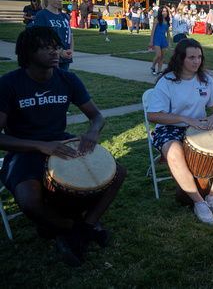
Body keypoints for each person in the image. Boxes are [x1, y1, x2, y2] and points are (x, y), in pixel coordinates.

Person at [0, 26, 126, 267]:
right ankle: (80, 228)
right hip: (25, 150)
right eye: (46, 47)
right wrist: (40, 146)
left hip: (63, 143)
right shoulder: (8, 84)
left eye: (55, 46)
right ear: (28, 52)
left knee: (118, 172)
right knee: (28, 200)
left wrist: (92, 131)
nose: (55, 51)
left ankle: (78, 228)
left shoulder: (68, 79)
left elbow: (97, 116)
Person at [147, 38, 213, 225]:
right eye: (191, 57)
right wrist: (183, 118)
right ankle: (199, 202)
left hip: (197, 127)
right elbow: (153, 115)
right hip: (168, 128)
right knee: (174, 151)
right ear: (180, 59)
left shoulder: (206, 80)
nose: (196, 61)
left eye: (199, 57)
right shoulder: (167, 81)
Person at [34, 0, 74, 71]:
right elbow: (41, 38)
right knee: (52, 80)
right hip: (51, 55)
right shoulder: (42, 15)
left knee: (63, 80)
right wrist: (59, 52)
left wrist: (70, 50)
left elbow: (70, 34)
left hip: (65, 55)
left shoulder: (64, 16)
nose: (60, 0)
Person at [149, 6, 172, 75]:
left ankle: (159, 70)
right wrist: (151, 41)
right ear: (160, 12)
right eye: (163, 11)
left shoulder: (167, 21)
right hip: (157, 39)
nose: (165, 13)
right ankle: (153, 66)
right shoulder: (157, 20)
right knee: (158, 55)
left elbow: (168, 33)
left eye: (166, 11)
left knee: (162, 56)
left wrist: (169, 42)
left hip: (163, 39)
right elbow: (153, 31)